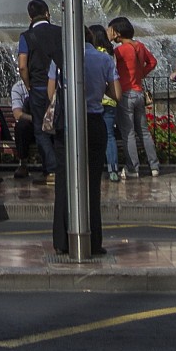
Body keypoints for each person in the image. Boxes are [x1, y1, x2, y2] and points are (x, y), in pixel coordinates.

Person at [49, 28, 112, 256]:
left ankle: (61, 241)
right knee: (93, 185)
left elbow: (50, 93)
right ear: (91, 39)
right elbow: (117, 93)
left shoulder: (61, 59)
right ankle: (93, 240)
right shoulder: (104, 58)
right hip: (94, 121)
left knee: (64, 182)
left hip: (68, 123)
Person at [107, 18, 160, 179]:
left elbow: (108, 64)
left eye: (111, 30)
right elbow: (152, 62)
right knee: (144, 132)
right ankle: (154, 166)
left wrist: (107, 40)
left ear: (117, 32)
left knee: (128, 133)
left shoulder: (120, 50)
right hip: (138, 93)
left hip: (125, 93)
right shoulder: (140, 47)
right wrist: (140, 75)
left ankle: (133, 168)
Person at [19, 0, 64, 183]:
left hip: (37, 87)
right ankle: (61, 167)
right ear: (47, 13)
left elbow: (22, 66)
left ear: (30, 17)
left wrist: (28, 84)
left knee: (41, 129)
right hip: (60, 86)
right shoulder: (60, 31)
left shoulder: (26, 36)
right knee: (59, 126)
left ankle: (51, 170)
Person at [84, 24, 122, 179]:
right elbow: (116, 90)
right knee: (109, 135)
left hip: (89, 105)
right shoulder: (109, 54)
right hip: (107, 102)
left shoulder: (86, 55)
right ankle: (113, 169)